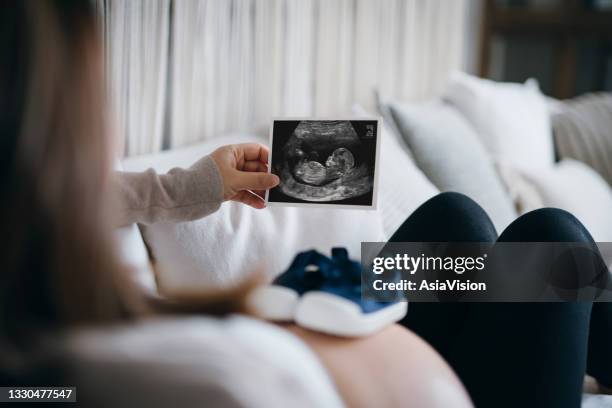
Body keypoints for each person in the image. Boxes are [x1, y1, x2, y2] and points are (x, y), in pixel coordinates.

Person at [2, 2, 609, 408]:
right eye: (92, 104)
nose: (109, 128)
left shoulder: (49, 269)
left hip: (389, 339)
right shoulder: (69, 377)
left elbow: (70, 193)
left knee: (466, 221)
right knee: (558, 247)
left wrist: (192, 187)